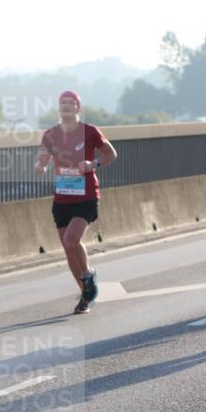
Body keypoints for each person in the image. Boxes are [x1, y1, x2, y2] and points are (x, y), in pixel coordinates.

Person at [35, 90, 118, 314]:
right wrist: (41, 164)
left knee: (72, 240)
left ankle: (88, 275)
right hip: (62, 197)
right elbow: (44, 152)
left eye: (71, 103)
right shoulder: (51, 133)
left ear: (78, 108)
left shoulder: (89, 131)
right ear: (59, 107)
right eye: (63, 103)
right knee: (68, 248)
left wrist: (93, 164)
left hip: (86, 196)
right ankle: (86, 293)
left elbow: (111, 154)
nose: (66, 106)